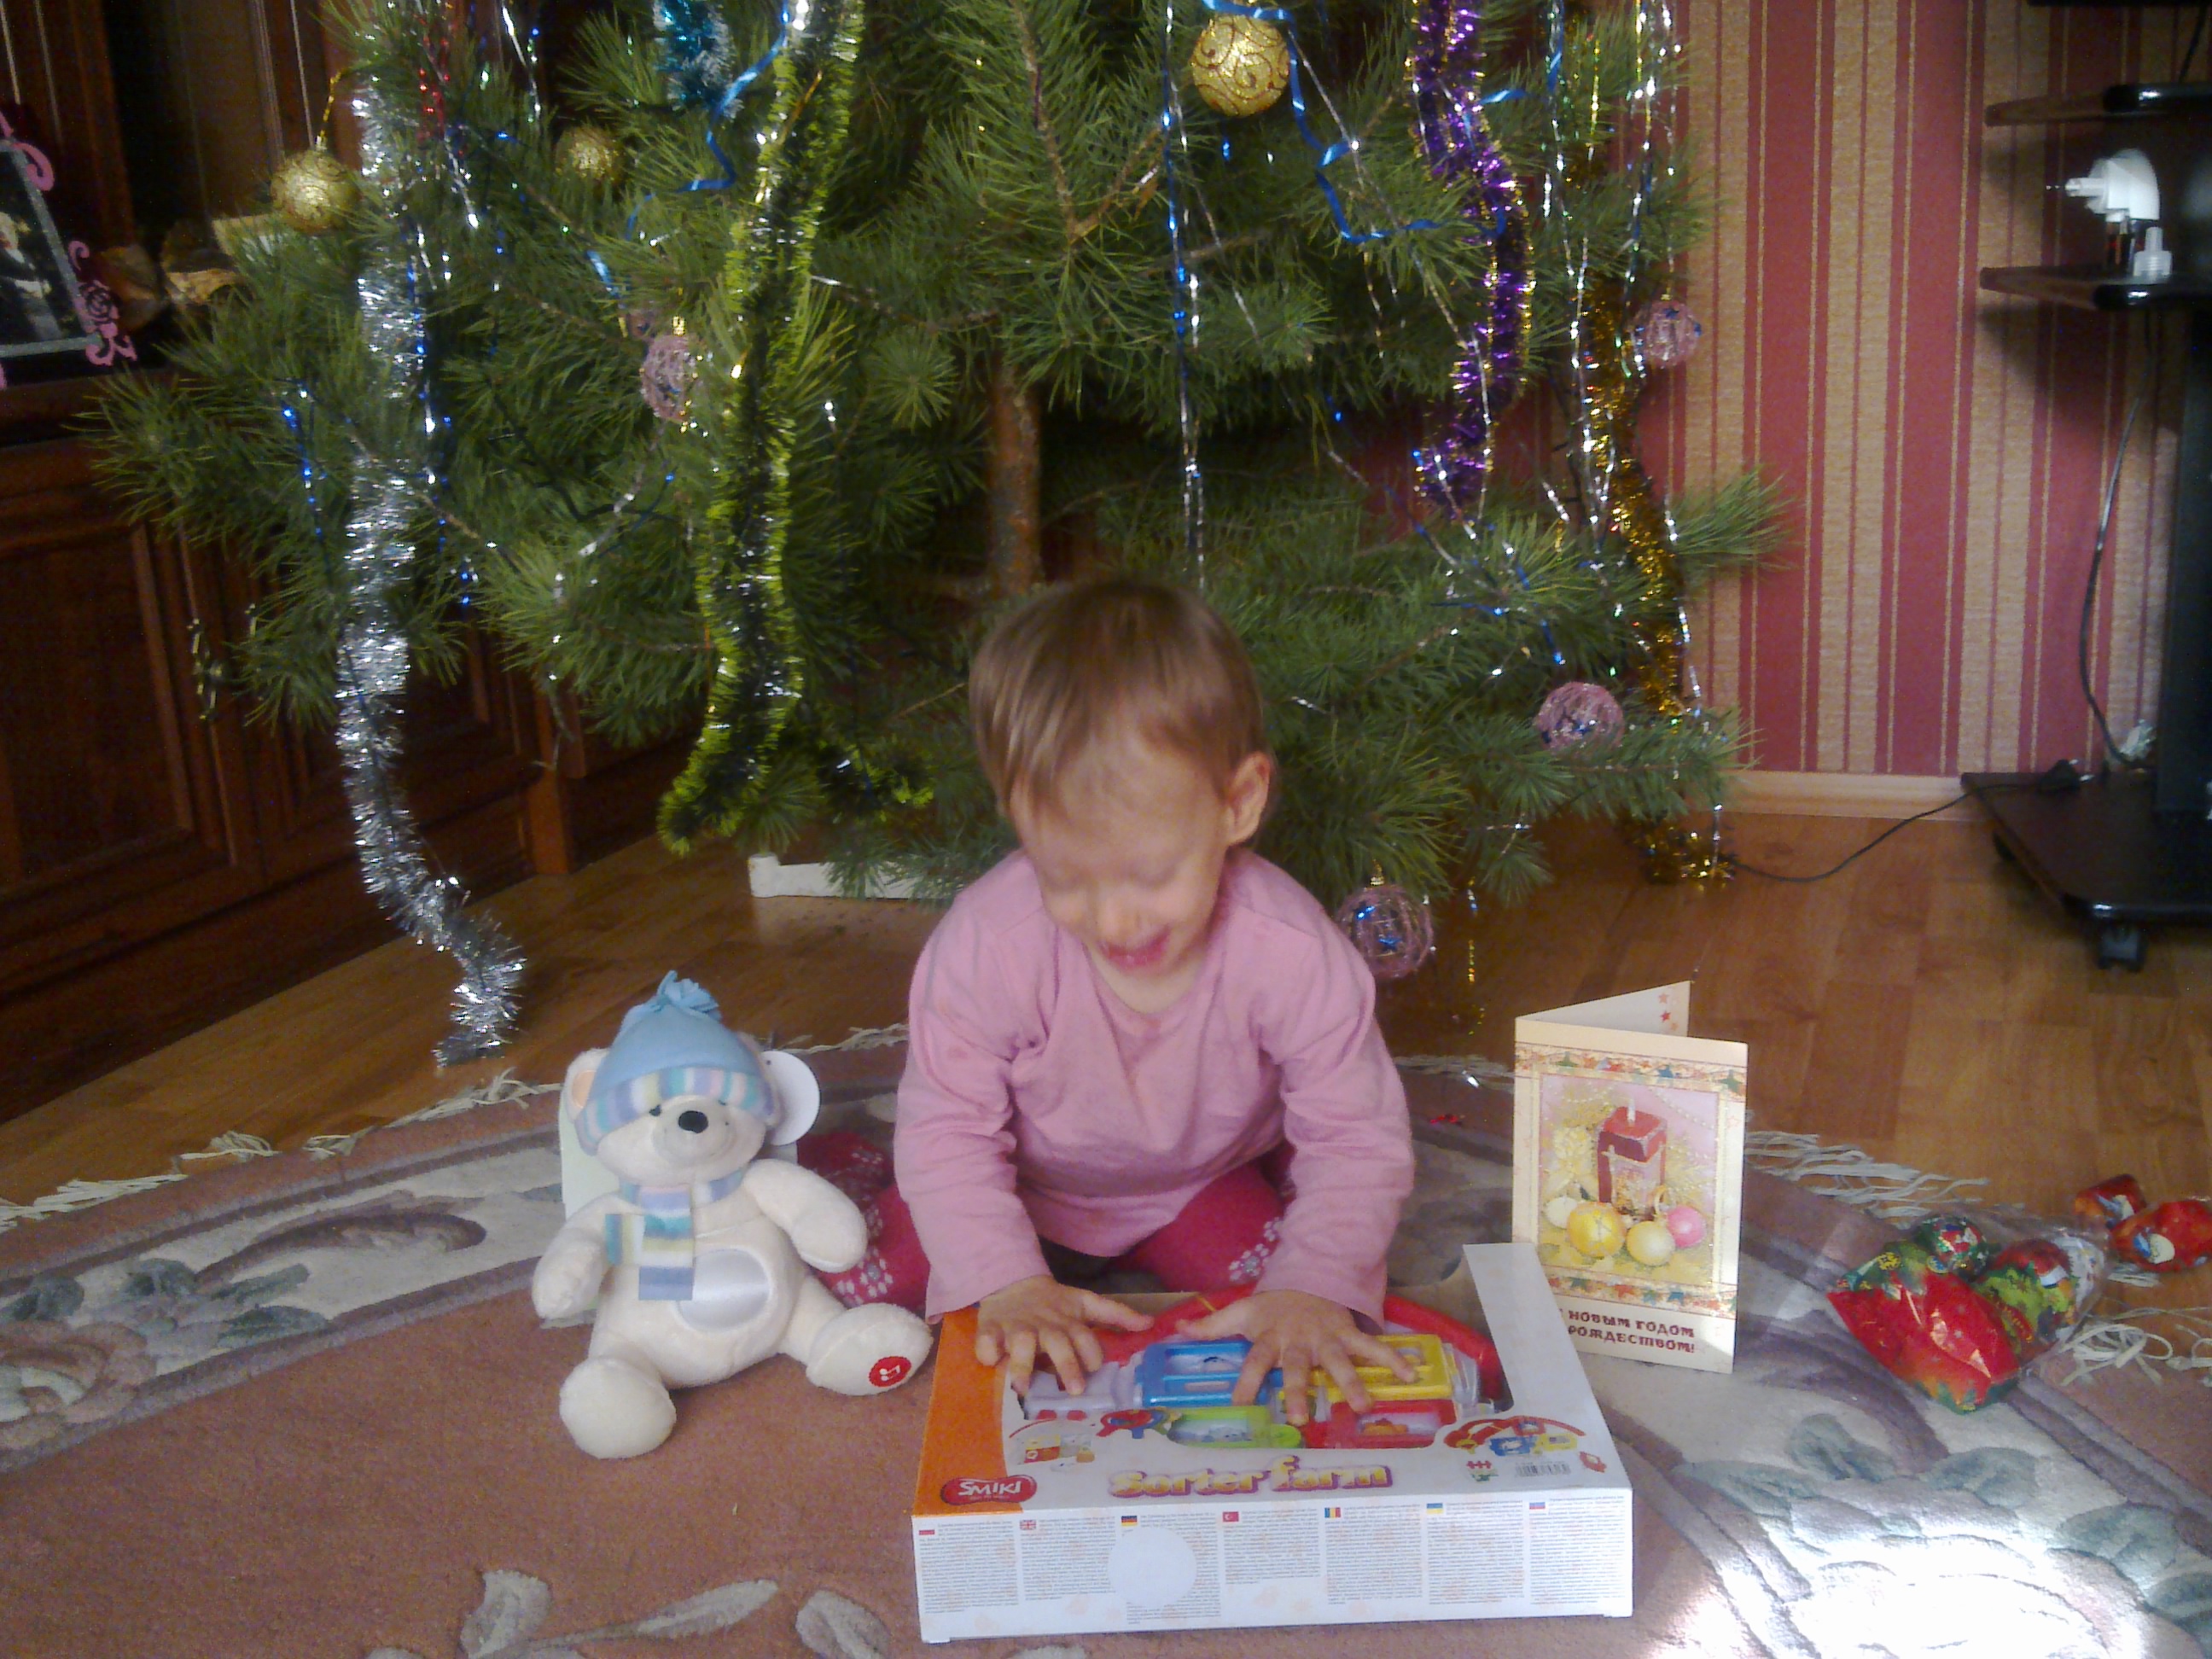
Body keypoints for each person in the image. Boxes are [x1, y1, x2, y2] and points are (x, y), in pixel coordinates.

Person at [833, 575, 1416, 1424]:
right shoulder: (989, 943)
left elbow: (1356, 1137)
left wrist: (1315, 1284)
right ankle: (845, 1165)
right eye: (1064, 876)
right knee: (881, 1271)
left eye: (1149, 874)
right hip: (1021, 1185)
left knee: (1287, 1313)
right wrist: (1006, 1279)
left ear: (1238, 803)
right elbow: (949, 1130)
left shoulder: (1290, 951)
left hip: (1198, 1186)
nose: (1112, 920)